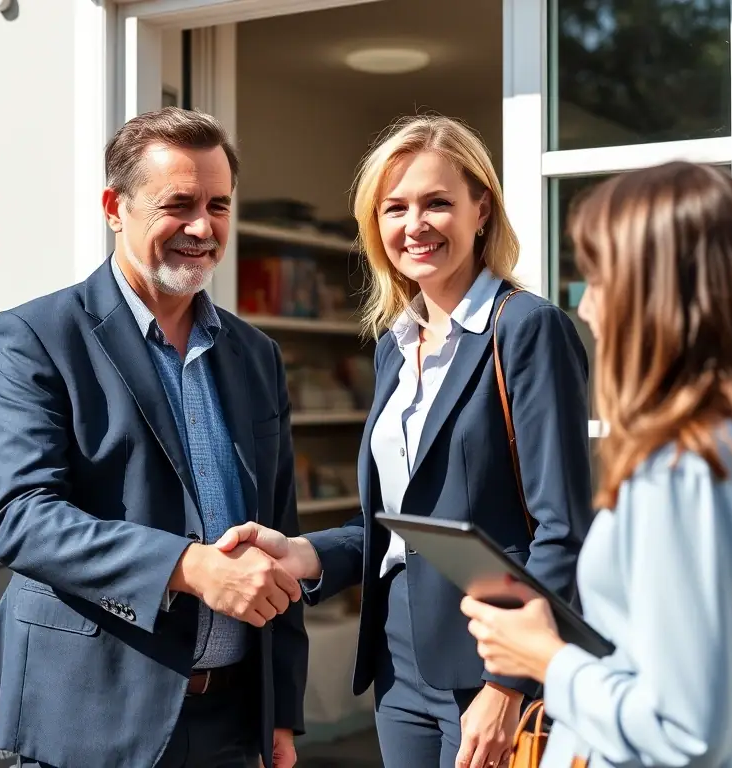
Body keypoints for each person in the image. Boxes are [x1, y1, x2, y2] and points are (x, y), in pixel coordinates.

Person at [217, 115, 593, 768]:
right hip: (397, 664)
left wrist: (508, 684)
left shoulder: (528, 329)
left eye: (436, 202)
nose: (415, 224)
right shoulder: (395, 347)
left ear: (481, 210)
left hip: (492, 662)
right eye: (395, 208)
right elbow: (401, 527)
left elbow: (562, 529)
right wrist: (304, 553)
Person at [0, 107, 308, 768]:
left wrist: (282, 710)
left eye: (218, 205)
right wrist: (189, 566)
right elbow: (20, 517)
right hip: (93, 714)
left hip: (234, 720)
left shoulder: (256, 354)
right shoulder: (36, 336)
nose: (202, 227)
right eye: (178, 205)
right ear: (114, 209)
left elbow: (280, 533)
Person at [460, 162, 732, 768]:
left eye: (597, 279)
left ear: (657, 297)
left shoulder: (685, 468)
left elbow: (681, 728)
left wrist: (544, 657)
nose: (586, 308)